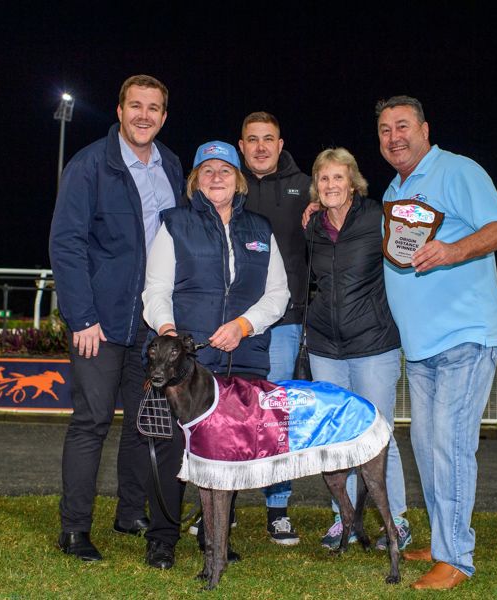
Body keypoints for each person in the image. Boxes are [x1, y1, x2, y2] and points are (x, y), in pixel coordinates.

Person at [376, 96, 497, 590]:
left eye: (403, 126)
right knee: (427, 446)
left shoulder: (457, 170)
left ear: (425, 129)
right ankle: (443, 542)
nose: (394, 137)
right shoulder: (395, 189)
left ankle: (456, 558)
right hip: (421, 347)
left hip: (465, 336)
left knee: (451, 447)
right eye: (385, 130)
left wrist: (454, 251)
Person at [49, 74, 187, 570]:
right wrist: (82, 316)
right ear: (120, 110)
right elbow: (66, 243)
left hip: (150, 327)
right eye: (135, 106)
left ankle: (130, 514)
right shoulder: (90, 164)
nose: (143, 115)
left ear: (164, 116)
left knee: (145, 424)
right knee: (92, 422)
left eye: (153, 108)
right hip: (100, 324)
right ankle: (74, 528)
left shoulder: (172, 166)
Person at [142, 140, 289, 559]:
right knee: (174, 449)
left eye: (225, 170)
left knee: (229, 451)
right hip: (189, 363)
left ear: (238, 179)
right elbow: (156, 289)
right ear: (195, 181)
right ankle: (163, 538)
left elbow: (278, 294)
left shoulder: (260, 228)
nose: (217, 177)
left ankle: (215, 538)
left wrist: (244, 325)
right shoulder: (175, 224)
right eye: (207, 171)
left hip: (244, 358)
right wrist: (168, 333)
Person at [302, 148, 410, 553]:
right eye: (324, 178)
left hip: (373, 345)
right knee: (335, 437)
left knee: (378, 435)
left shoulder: (377, 217)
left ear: (353, 183)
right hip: (325, 347)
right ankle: (342, 518)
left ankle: (396, 521)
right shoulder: (312, 225)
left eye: (338, 177)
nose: (331, 185)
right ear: (316, 186)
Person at [237, 111, 312, 545]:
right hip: (234, 326)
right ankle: (221, 506)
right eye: (253, 139)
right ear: (242, 145)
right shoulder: (229, 184)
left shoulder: (306, 186)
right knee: (230, 415)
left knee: (277, 417)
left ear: (280, 144)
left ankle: (278, 510)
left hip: (285, 324)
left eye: (268, 138)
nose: (261, 146)